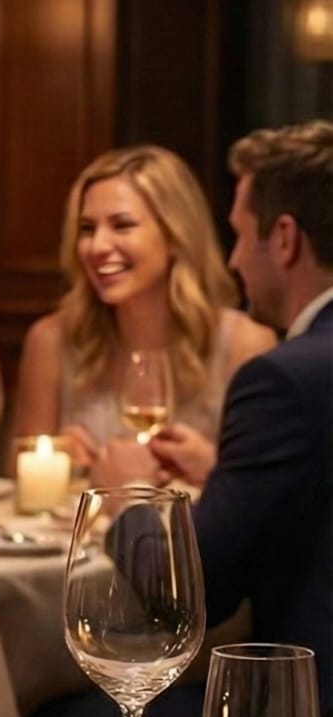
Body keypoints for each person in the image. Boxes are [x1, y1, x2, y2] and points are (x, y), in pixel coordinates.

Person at [28, 120, 333, 717]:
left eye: (241, 233)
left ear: (282, 239)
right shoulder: (302, 370)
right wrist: (219, 474)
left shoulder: (280, 373)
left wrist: (125, 499)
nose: (231, 257)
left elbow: (200, 589)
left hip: (302, 715)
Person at [15, 145, 274, 473]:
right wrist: (55, 460)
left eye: (122, 225)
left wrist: (211, 468)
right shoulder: (51, 340)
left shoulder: (243, 344)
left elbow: (263, 494)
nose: (97, 246)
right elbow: (18, 475)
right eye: (87, 229)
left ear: (174, 235)